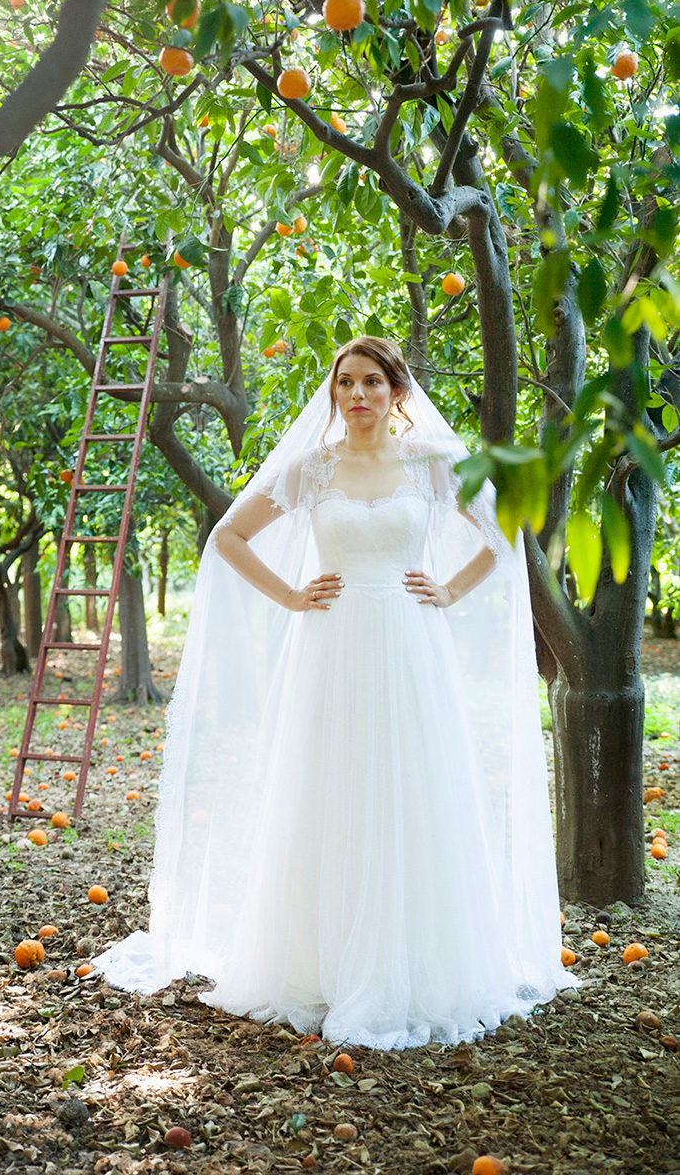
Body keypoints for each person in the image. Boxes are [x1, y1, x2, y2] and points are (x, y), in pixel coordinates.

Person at [91, 336, 580, 1050]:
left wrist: (447, 587)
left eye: (371, 382)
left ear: (396, 392)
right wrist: (291, 594)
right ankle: (320, 966)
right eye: (345, 382)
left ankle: (419, 966)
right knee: (330, 790)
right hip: (330, 643)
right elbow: (229, 538)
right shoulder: (312, 467)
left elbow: (504, 536)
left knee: (413, 788)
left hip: (412, 645)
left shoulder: (433, 463)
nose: (356, 395)